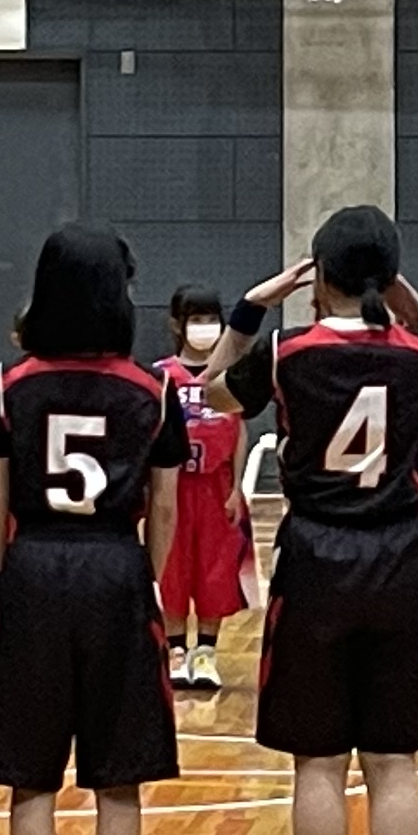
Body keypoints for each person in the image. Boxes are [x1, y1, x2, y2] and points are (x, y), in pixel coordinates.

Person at [209, 207, 418, 835]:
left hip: (316, 559)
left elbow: (213, 393)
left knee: (318, 763)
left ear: (319, 275)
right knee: (393, 762)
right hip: (400, 559)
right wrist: (411, 310)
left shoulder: (287, 353)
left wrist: (251, 309)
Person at [0, 223, 190, 835]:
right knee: (118, 774)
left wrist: (3, 575)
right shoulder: (152, 391)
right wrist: (144, 577)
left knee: (31, 774)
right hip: (115, 565)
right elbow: (166, 507)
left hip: (35, 567)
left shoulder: (10, 385)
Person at [154, 283, 255, 690]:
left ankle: (207, 652)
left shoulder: (229, 374)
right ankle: (176, 650)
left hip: (216, 486)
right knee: (173, 569)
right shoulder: (162, 375)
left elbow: (240, 430)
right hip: (174, 487)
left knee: (215, 571)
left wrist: (237, 487)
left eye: (212, 319)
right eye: (196, 319)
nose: (205, 326)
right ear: (177, 324)